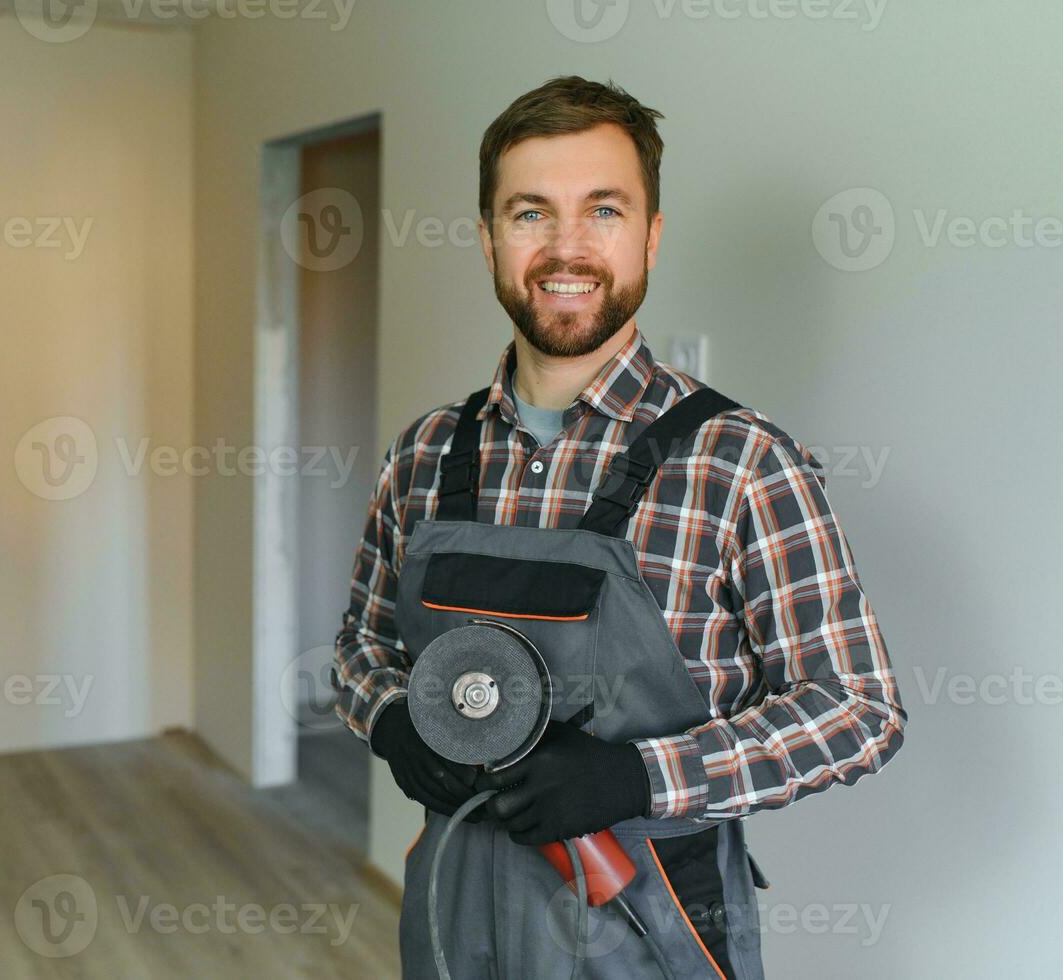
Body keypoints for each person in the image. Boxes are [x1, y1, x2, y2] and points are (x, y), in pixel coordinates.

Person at [332, 75, 906, 979]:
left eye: (602, 209)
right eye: (529, 213)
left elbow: (856, 711)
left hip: (649, 924)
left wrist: (638, 778)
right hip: (457, 912)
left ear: (651, 235)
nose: (565, 247)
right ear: (487, 239)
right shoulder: (425, 455)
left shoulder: (739, 463)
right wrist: (397, 719)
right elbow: (361, 649)